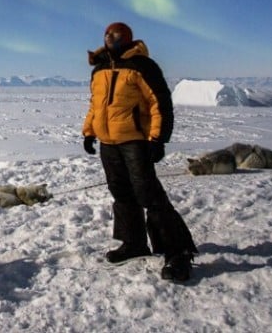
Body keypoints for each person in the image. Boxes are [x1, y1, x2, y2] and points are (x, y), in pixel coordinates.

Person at [81, 22, 197, 282]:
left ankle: (177, 252)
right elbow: (95, 106)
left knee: (149, 194)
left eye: (117, 34)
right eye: (107, 33)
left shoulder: (142, 66)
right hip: (109, 143)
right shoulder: (99, 69)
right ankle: (134, 243)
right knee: (121, 193)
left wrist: (158, 138)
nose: (110, 37)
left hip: (136, 140)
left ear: (128, 38)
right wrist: (88, 131)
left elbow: (160, 103)